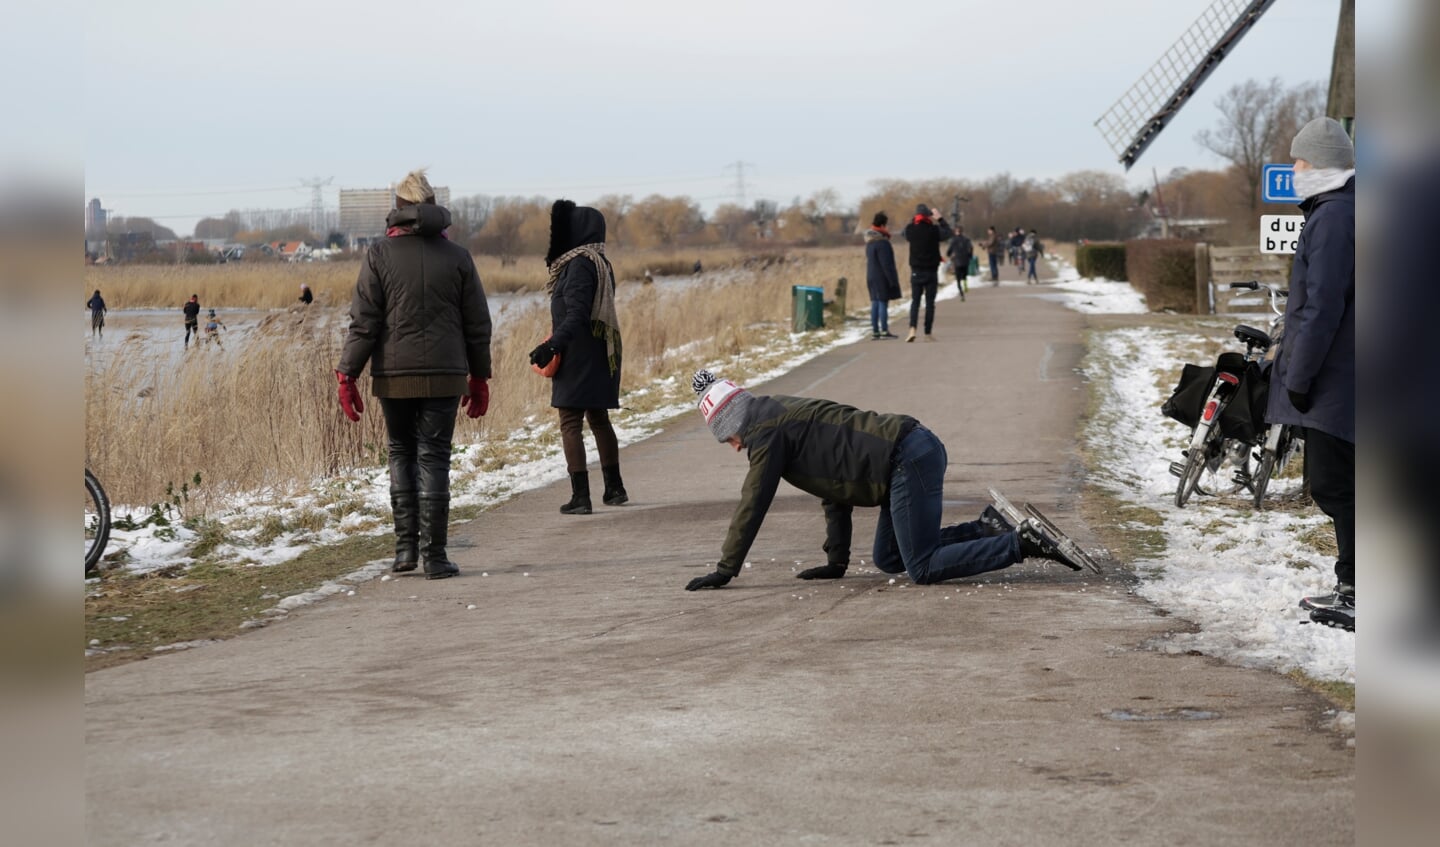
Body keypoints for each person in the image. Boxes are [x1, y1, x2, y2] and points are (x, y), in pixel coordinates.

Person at [683, 370, 1090, 591]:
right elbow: (833, 489)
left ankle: (1021, 543)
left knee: (923, 568)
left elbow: (754, 502)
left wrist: (725, 569)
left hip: (906, 460)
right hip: (910, 453)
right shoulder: (777, 415)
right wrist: (835, 562)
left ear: (734, 424)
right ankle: (989, 528)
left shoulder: (767, 434)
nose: (734, 447)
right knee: (890, 558)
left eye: (728, 439)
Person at [337, 168, 493, 580]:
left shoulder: (378, 255)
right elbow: (478, 324)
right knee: (435, 456)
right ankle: (435, 557)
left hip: (394, 374)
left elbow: (364, 323)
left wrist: (347, 374)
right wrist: (480, 378)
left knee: (401, 452)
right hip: (446, 373)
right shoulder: (458, 257)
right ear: (432, 206)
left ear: (398, 208)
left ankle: (405, 550)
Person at [1266, 117, 1356, 631]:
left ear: (1320, 165)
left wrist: (1298, 378)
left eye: (1299, 162)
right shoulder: (1345, 209)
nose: (1294, 171)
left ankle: (1359, 590)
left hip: (1337, 378)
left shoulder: (1334, 217)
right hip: (1351, 372)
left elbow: (1320, 307)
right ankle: (1352, 584)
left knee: (1337, 484)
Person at [529, 199, 628, 515]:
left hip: (578, 354)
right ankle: (614, 489)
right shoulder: (600, 260)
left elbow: (576, 315)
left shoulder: (579, 264)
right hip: (600, 350)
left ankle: (580, 496)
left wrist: (552, 346)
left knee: (570, 421)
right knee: (598, 418)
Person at [901, 203, 953, 342]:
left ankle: (912, 328)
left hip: (916, 271)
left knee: (915, 302)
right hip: (931, 271)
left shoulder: (911, 230)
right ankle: (927, 333)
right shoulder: (934, 230)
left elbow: (903, 232)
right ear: (928, 216)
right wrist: (940, 219)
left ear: (917, 216)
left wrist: (914, 220)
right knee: (930, 303)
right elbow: (948, 233)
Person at [864, 211, 901, 339]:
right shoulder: (883, 243)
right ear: (883, 225)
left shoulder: (869, 242)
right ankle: (884, 330)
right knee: (883, 302)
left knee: (874, 302)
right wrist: (892, 280)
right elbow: (887, 264)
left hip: (870, 275)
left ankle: (875, 330)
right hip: (881, 277)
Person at [946, 225, 974, 302]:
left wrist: (949, 254)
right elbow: (971, 248)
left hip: (957, 261)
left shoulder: (953, 240)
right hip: (965, 261)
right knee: (964, 275)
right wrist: (970, 256)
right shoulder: (967, 239)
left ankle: (961, 294)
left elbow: (949, 251)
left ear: (955, 232)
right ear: (962, 231)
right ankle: (965, 283)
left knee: (958, 279)